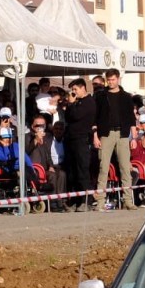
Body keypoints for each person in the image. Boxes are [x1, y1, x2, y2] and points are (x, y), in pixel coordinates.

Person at [93, 68, 137, 210]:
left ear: (118, 79)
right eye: (109, 80)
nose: (111, 82)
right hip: (106, 134)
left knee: (125, 168)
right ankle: (100, 201)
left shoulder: (126, 96)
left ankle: (128, 200)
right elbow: (95, 117)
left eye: (113, 79)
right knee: (103, 167)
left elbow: (131, 118)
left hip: (123, 134)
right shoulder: (100, 96)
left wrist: (134, 136)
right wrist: (95, 135)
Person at [61, 78, 96, 210]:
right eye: (72, 90)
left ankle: (86, 200)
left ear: (83, 88)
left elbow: (76, 116)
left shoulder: (89, 102)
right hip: (72, 140)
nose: (73, 92)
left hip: (82, 140)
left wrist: (71, 104)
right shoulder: (77, 102)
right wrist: (71, 105)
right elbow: (68, 117)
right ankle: (75, 199)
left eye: (75, 89)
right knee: (73, 172)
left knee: (82, 171)